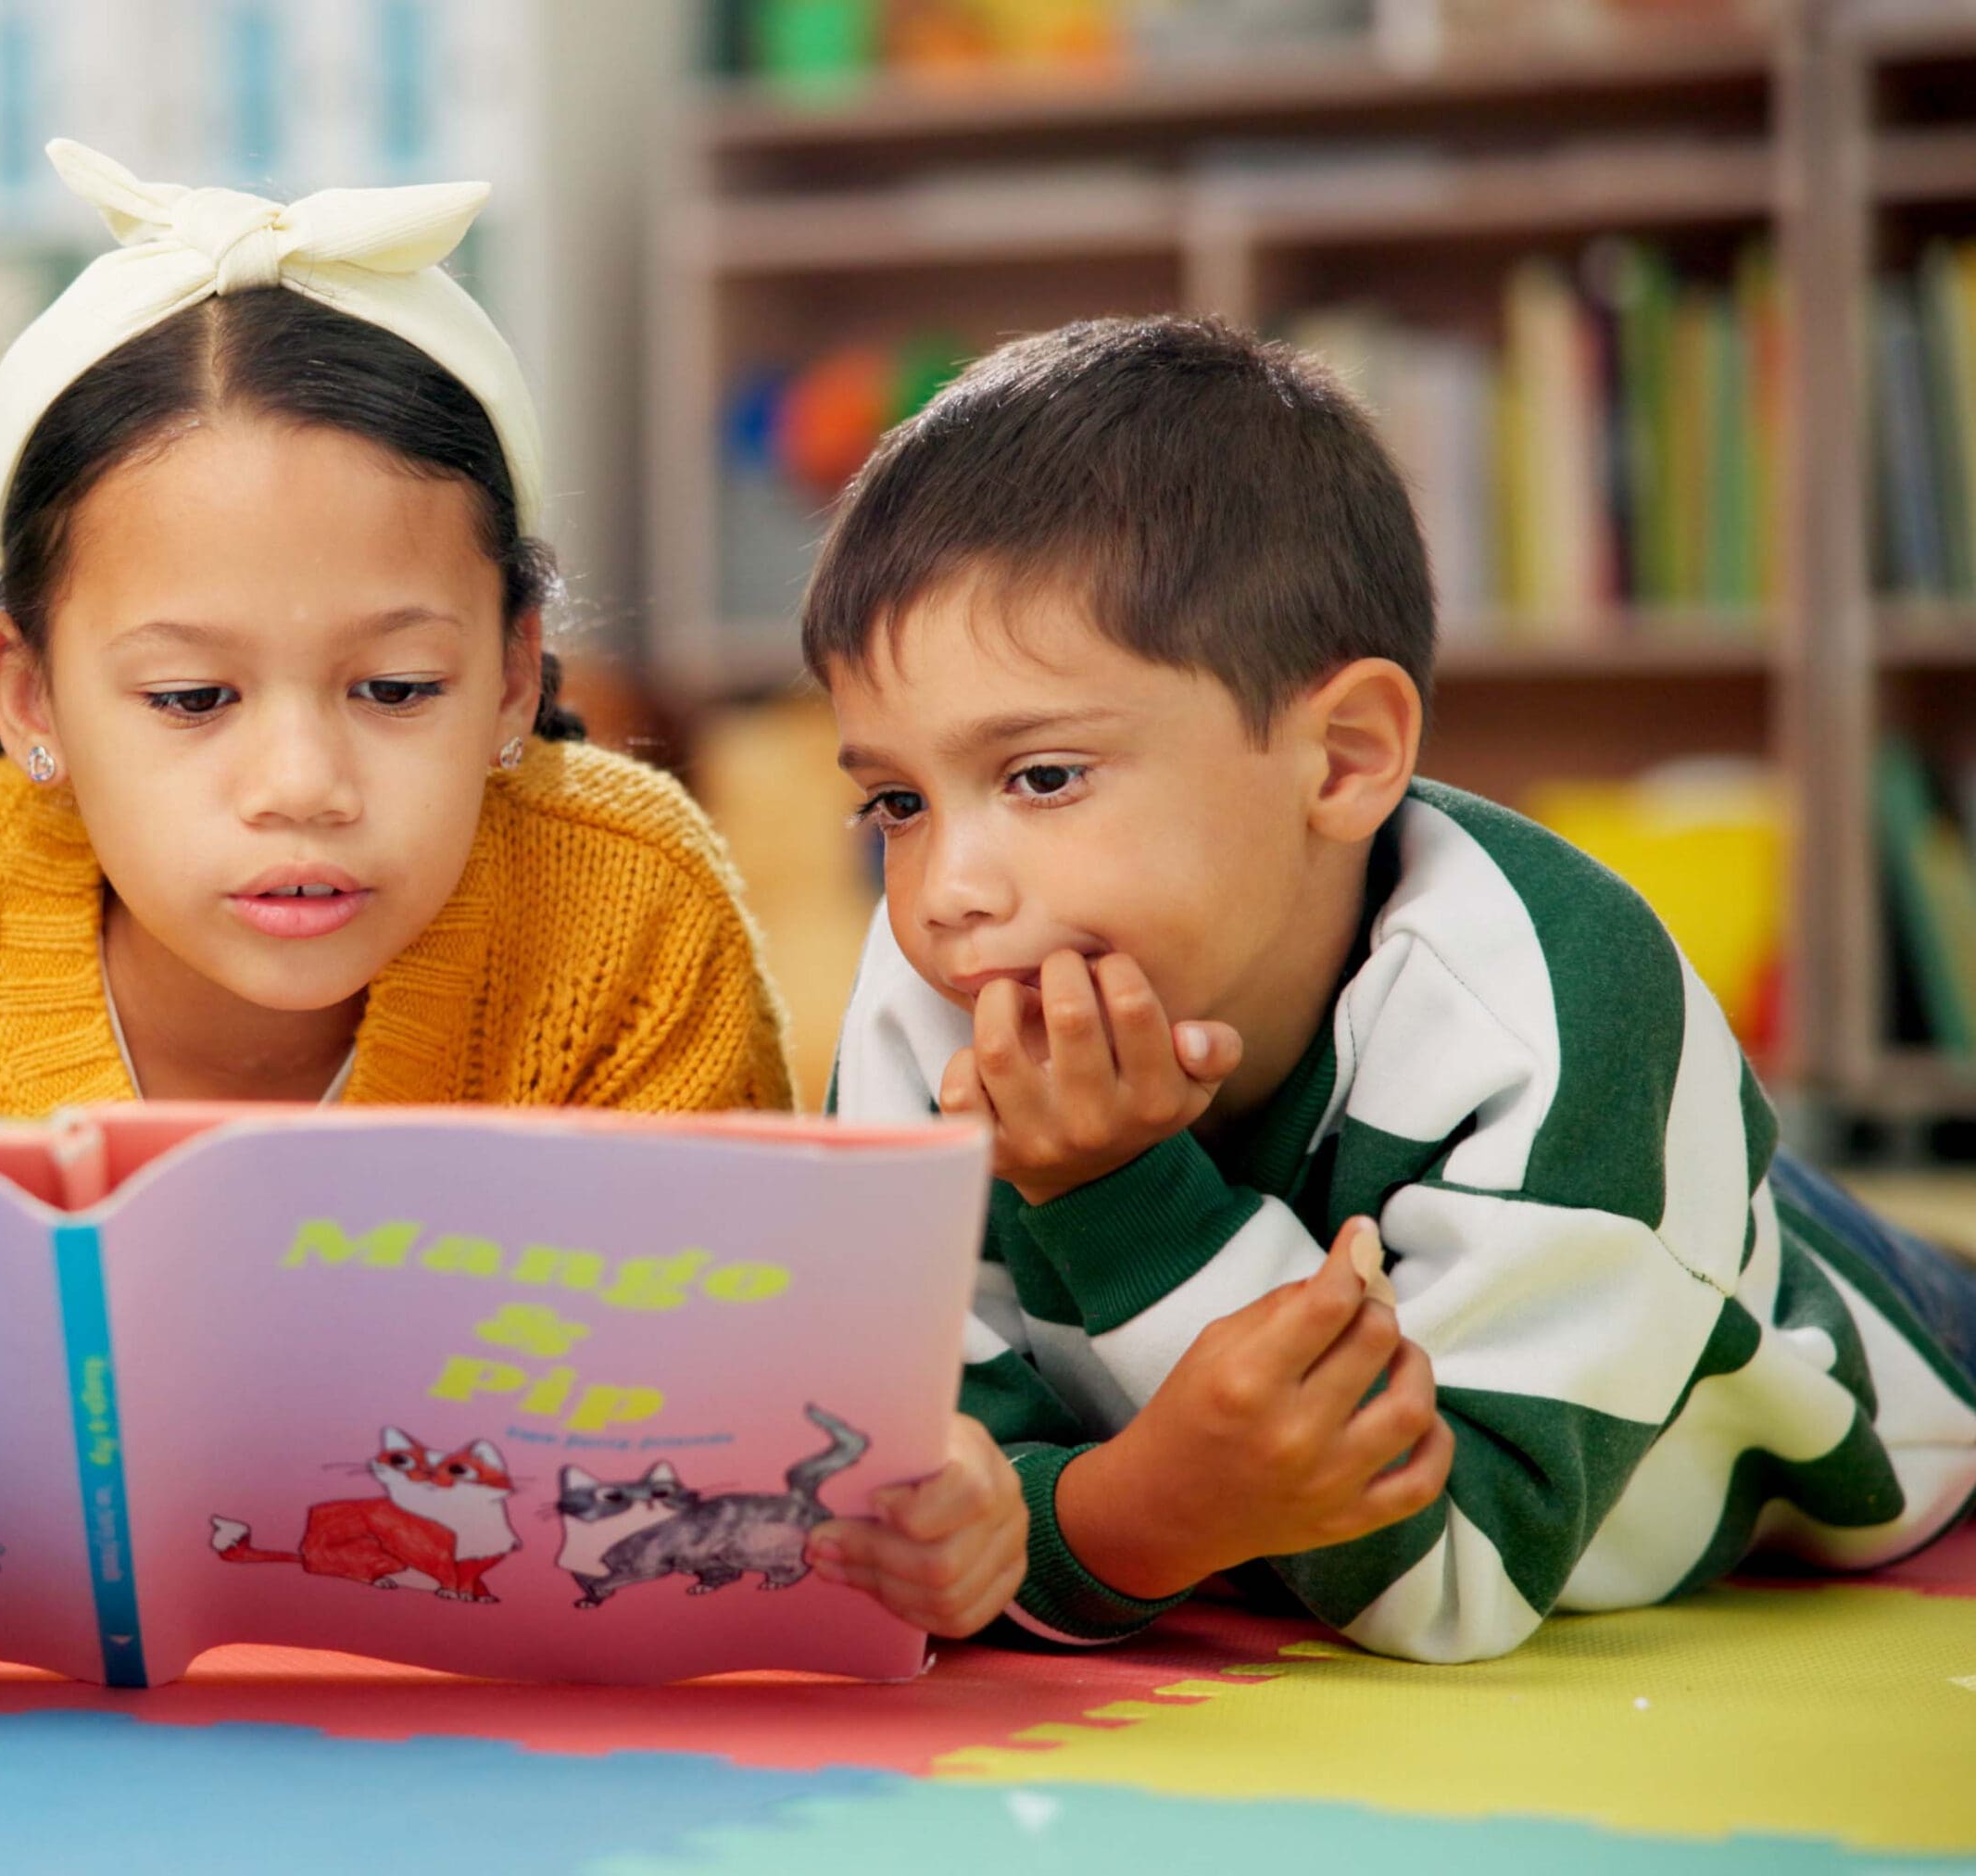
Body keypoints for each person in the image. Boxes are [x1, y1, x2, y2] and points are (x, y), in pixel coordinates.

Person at [0, 142, 1026, 1640]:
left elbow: (732, 1450)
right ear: (29, 692)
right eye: (192, 697)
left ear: (514, 671)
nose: (302, 781)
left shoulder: (626, 920)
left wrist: (920, 1520)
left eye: (394, 685)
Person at [818, 314, 1976, 1663]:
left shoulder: (1554, 1004)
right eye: (896, 800)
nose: (948, 886)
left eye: (1043, 776)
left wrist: (1119, 1207)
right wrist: (1114, 1516)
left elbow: (1459, 1571)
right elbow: (919, 1489)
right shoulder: (928, 992)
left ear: (1345, 757)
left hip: (1835, 1346)